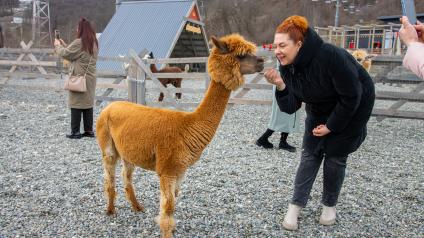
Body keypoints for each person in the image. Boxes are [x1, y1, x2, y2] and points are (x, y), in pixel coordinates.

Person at [264, 16, 375, 230]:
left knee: (335, 156)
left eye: (282, 45)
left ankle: (329, 206)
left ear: (299, 44)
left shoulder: (331, 56)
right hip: (319, 107)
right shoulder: (287, 66)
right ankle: (295, 206)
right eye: (275, 45)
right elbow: (291, 105)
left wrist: (331, 127)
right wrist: (280, 85)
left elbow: (352, 96)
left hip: (354, 105)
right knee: (310, 154)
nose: (277, 51)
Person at [54, 17, 98, 139]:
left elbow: (65, 54)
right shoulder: (93, 42)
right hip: (90, 78)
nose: (76, 29)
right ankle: (89, 131)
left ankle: (75, 132)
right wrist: (65, 45)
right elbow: (77, 55)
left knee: (76, 103)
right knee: (88, 104)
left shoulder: (80, 42)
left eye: (78, 27)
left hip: (79, 78)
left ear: (82, 29)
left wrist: (58, 46)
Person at [256, 64, 300, 152]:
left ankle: (280, 141)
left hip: (287, 77)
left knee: (287, 113)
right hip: (285, 79)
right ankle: (265, 139)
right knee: (282, 113)